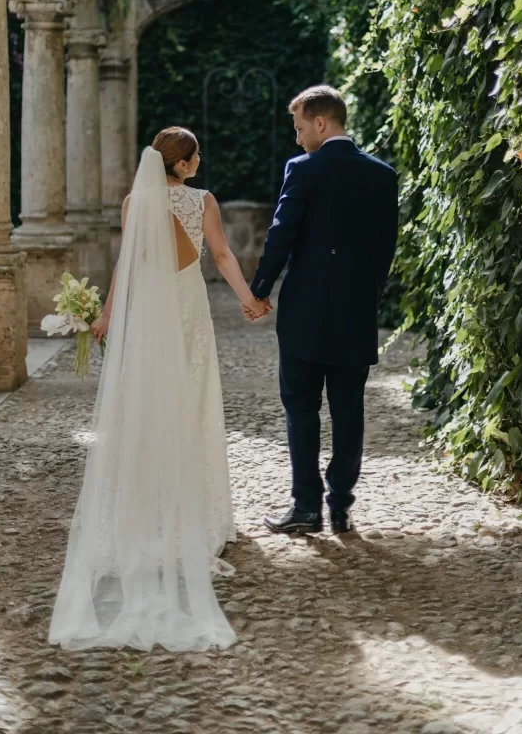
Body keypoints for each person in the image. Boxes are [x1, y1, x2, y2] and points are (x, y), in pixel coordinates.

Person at [49, 127, 269, 652]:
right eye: (197, 156)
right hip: (188, 314)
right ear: (186, 164)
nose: (199, 162)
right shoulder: (202, 201)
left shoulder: (134, 202)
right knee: (191, 408)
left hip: (148, 317)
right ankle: (195, 516)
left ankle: (145, 514)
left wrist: (106, 316)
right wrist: (249, 300)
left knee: (143, 411)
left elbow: (126, 264)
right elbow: (221, 257)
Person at [247, 86, 398, 536]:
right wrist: (364, 292)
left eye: (298, 128)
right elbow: (384, 250)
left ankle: (306, 507)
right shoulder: (382, 174)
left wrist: (258, 290)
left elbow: (281, 235)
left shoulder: (303, 169)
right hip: (355, 311)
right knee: (349, 408)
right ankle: (341, 507)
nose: (296, 140)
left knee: (301, 408)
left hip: (305, 312)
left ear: (320, 122)